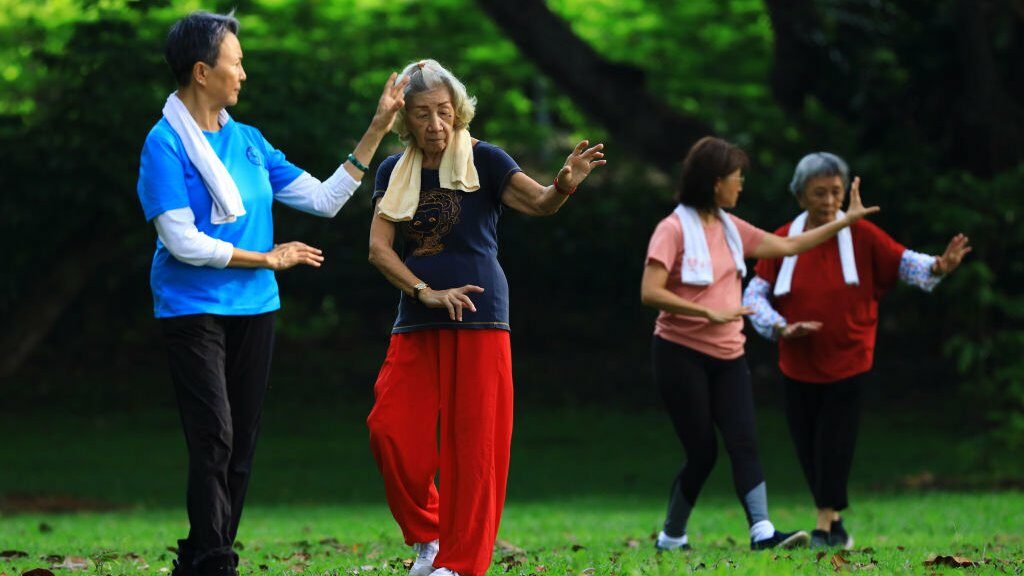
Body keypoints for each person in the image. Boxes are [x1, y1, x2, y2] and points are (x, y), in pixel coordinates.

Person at [135, 11, 406, 576]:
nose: (244, 74)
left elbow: (327, 199)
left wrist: (379, 126)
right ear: (203, 71)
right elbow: (181, 240)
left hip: (254, 307)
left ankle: (205, 554)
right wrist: (269, 258)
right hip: (192, 309)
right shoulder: (163, 145)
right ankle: (213, 560)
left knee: (242, 440)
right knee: (214, 435)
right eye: (236, 62)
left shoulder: (250, 142)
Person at [365, 59, 605, 576]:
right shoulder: (392, 170)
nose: (435, 125)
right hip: (418, 316)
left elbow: (540, 203)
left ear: (459, 112)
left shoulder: (486, 160)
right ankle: (429, 535)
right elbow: (380, 250)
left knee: (475, 445)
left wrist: (564, 185)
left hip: (480, 315)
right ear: (406, 119)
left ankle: (460, 562)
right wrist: (424, 291)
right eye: (423, 115)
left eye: (444, 112)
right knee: (390, 430)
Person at [640, 136, 880, 552]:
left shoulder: (732, 229)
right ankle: (671, 536)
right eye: (736, 179)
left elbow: (789, 245)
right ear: (716, 183)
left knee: (744, 441)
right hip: (680, 355)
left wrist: (844, 220)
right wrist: (707, 312)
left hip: (729, 356)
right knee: (702, 453)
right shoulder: (672, 229)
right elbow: (650, 291)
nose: (741, 186)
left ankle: (762, 532)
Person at [741, 152, 971, 549]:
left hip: (850, 360)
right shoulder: (784, 239)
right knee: (809, 447)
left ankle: (823, 526)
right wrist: (781, 326)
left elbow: (904, 262)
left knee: (835, 443)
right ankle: (836, 525)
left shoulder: (863, 236)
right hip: (797, 364)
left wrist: (938, 266)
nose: (829, 201)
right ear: (800, 197)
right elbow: (754, 296)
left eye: (835, 192)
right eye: (819, 193)